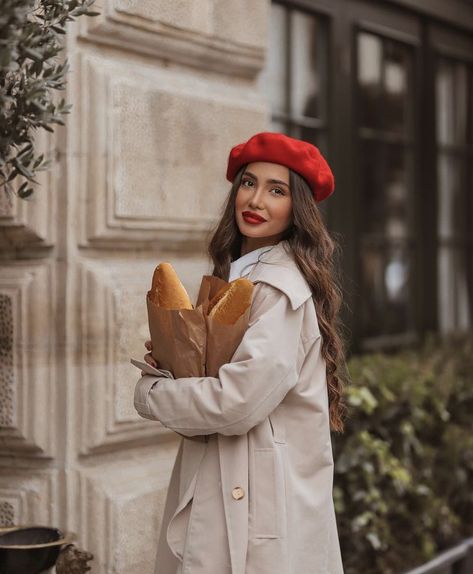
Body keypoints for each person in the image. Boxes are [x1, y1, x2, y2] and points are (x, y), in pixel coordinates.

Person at [134, 131, 348, 574]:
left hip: (255, 500)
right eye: (249, 183)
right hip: (236, 482)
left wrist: (152, 394)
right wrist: (179, 365)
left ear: (298, 208)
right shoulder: (238, 279)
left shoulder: (277, 288)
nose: (256, 200)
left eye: (277, 190)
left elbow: (237, 402)